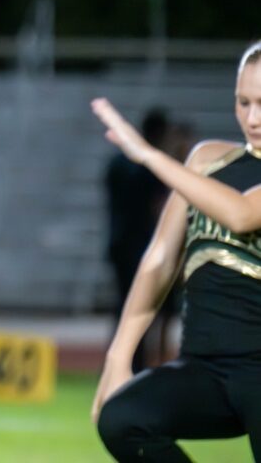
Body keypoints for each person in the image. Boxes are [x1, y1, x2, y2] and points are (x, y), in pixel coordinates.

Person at [92, 41, 261, 461]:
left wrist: (148, 155)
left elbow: (242, 215)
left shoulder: (196, 174)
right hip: (205, 370)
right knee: (121, 420)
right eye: (243, 102)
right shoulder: (207, 160)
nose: (252, 118)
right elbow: (160, 260)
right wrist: (118, 357)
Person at [104, 107, 171, 372]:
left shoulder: (116, 163)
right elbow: (160, 208)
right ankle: (136, 365)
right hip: (142, 247)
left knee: (123, 309)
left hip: (118, 243)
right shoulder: (150, 166)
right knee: (141, 311)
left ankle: (117, 363)